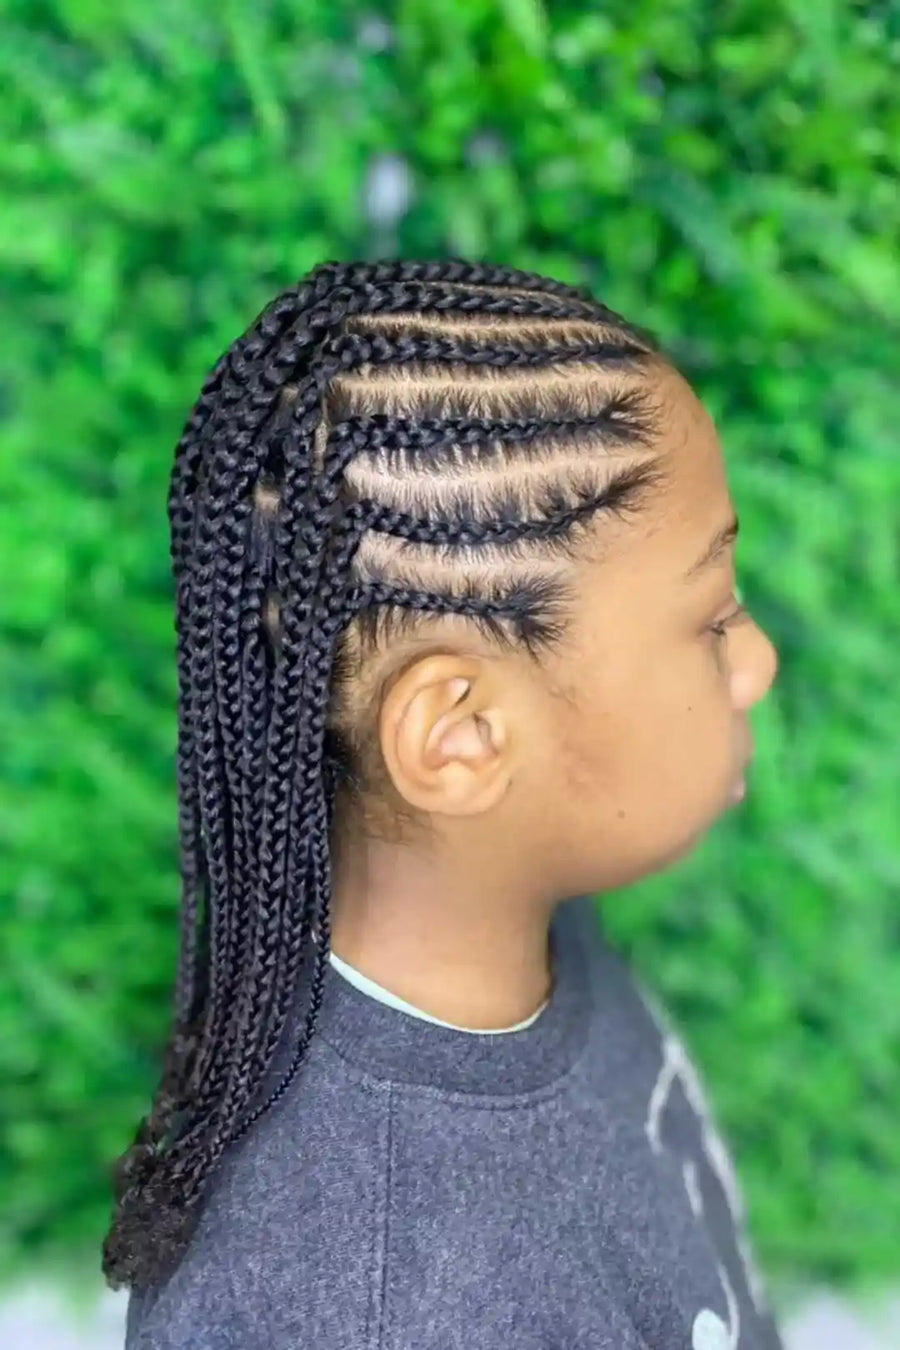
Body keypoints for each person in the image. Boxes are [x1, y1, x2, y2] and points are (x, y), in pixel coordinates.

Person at [104, 258, 783, 1349]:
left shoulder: (532, 936)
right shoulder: (362, 1303)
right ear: (462, 736)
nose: (758, 663)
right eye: (711, 620)